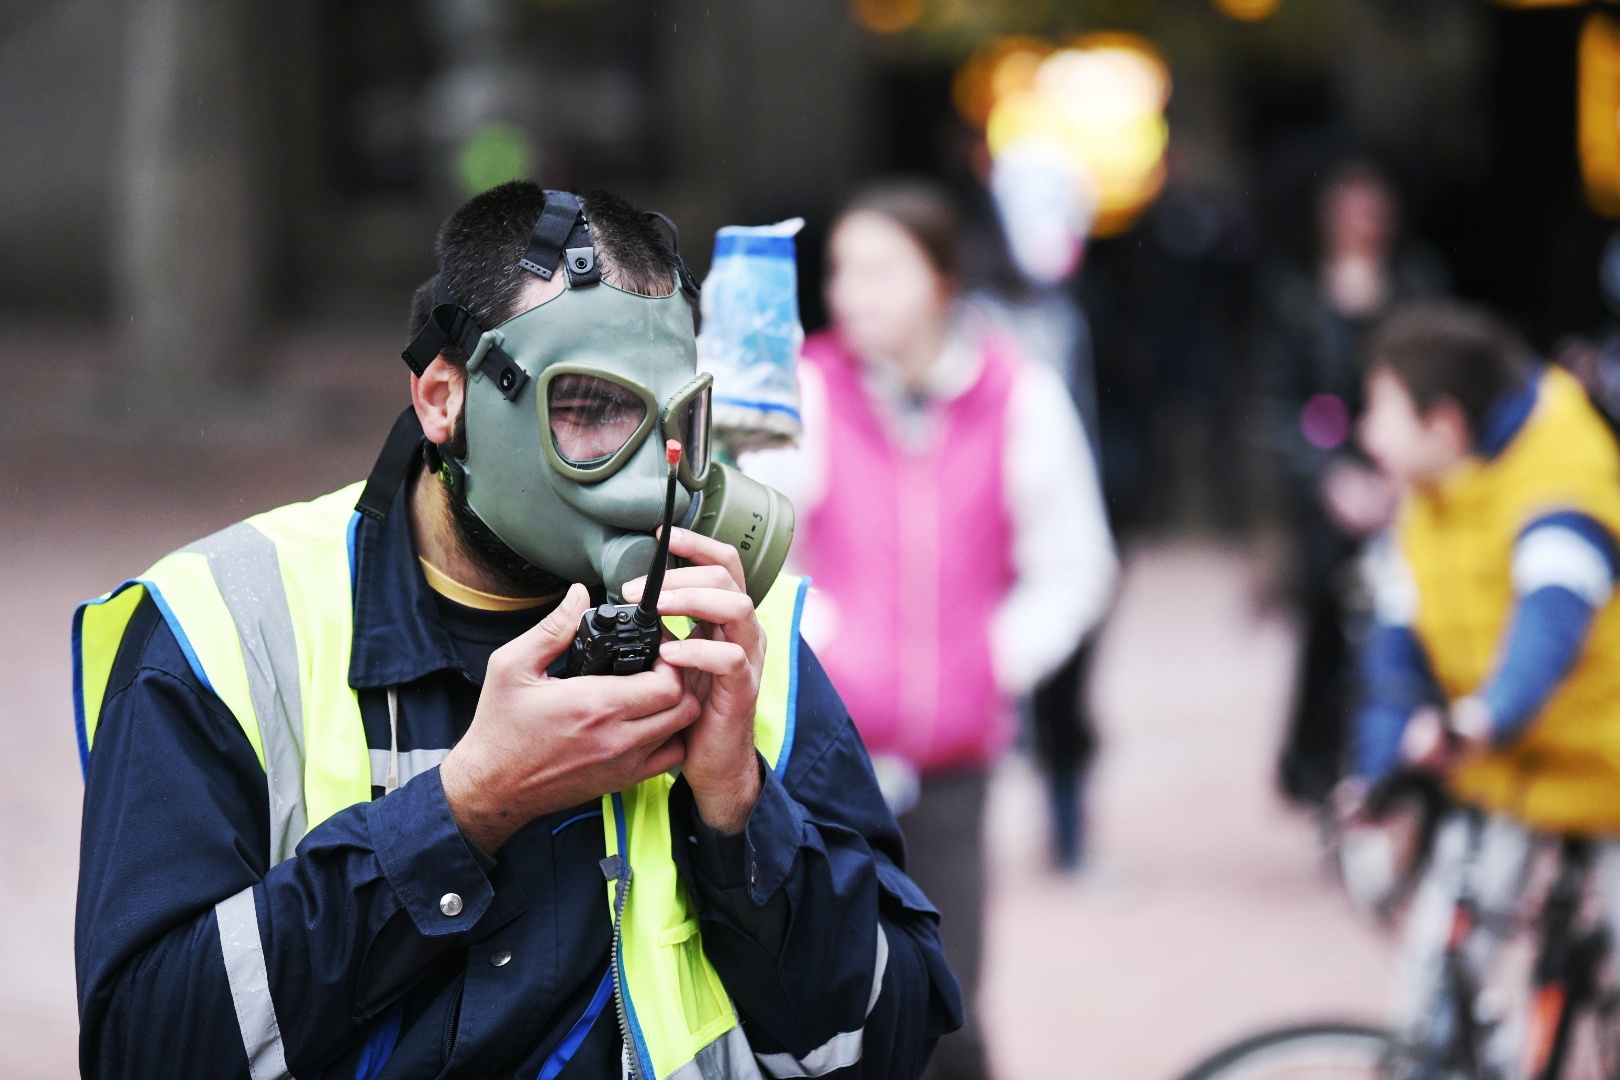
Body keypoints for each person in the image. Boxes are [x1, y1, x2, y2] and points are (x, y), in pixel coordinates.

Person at [73, 182, 961, 1080]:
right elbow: (145, 1047)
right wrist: (465, 808)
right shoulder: (229, 623)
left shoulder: (729, 633)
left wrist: (739, 813)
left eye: (675, 421)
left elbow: (891, 1041)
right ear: (442, 399)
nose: (653, 475)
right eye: (587, 409)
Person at [745, 179, 1116, 1080]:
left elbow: (1077, 564)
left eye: (880, 270)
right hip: (819, 757)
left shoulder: (1017, 395)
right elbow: (753, 549)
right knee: (815, 1005)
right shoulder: (803, 391)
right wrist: (827, 646)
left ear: (945, 280)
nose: (851, 292)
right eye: (841, 269)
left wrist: (992, 662)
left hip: (953, 766)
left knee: (946, 1007)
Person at [1340, 304, 1620, 1070]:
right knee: (1431, 1000)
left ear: (1445, 425)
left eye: (1379, 411)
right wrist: (1375, 781)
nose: (1365, 433)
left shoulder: (1564, 473)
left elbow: (1551, 622)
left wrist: (1483, 718)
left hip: (1603, 765)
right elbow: (1396, 654)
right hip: (1509, 772)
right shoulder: (1431, 488)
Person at [1257, 159, 1450, 807]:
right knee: (1325, 633)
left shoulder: (1417, 286)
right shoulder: (1297, 297)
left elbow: (1438, 391)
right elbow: (1277, 402)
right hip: (1328, 493)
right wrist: (1329, 477)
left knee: (1402, 628)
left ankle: (1387, 771)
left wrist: (1404, 476)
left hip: (1405, 485)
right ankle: (1318, 773)